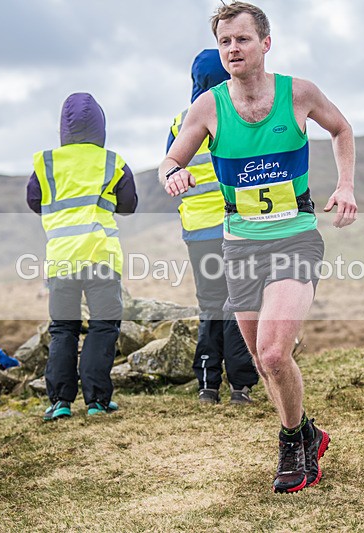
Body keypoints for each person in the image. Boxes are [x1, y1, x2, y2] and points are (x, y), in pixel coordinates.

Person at [159, 2, 357, 493]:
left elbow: (342, 129)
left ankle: (292, 443)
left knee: (272, 353)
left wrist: (347, 186)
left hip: (295, 239)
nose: (233, 49)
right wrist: (173, 173)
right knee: (262, 363)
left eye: (242, 40)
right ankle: (309, 432)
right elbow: (169, 159)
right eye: (225, 42)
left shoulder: (299, 94)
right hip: (240, 247)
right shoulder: (207, 107)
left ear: (265, 44)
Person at [27, 92, 138, 421]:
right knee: (103, 327)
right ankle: (97, 401)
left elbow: (35, 201)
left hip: (61, 259)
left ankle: (60, 402)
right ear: (101, 126)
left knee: (63, 329)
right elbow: (129, 205)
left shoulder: (46, 162)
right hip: (101, 257)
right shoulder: (111, 161)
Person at [166, 49, 259, 405]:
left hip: (198, 231)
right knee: (241, 302)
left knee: (210, 305)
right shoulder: (238, 115)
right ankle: (241, 386)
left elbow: (172, 169)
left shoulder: (179, 122)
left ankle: (207, 384)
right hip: (237, 226)